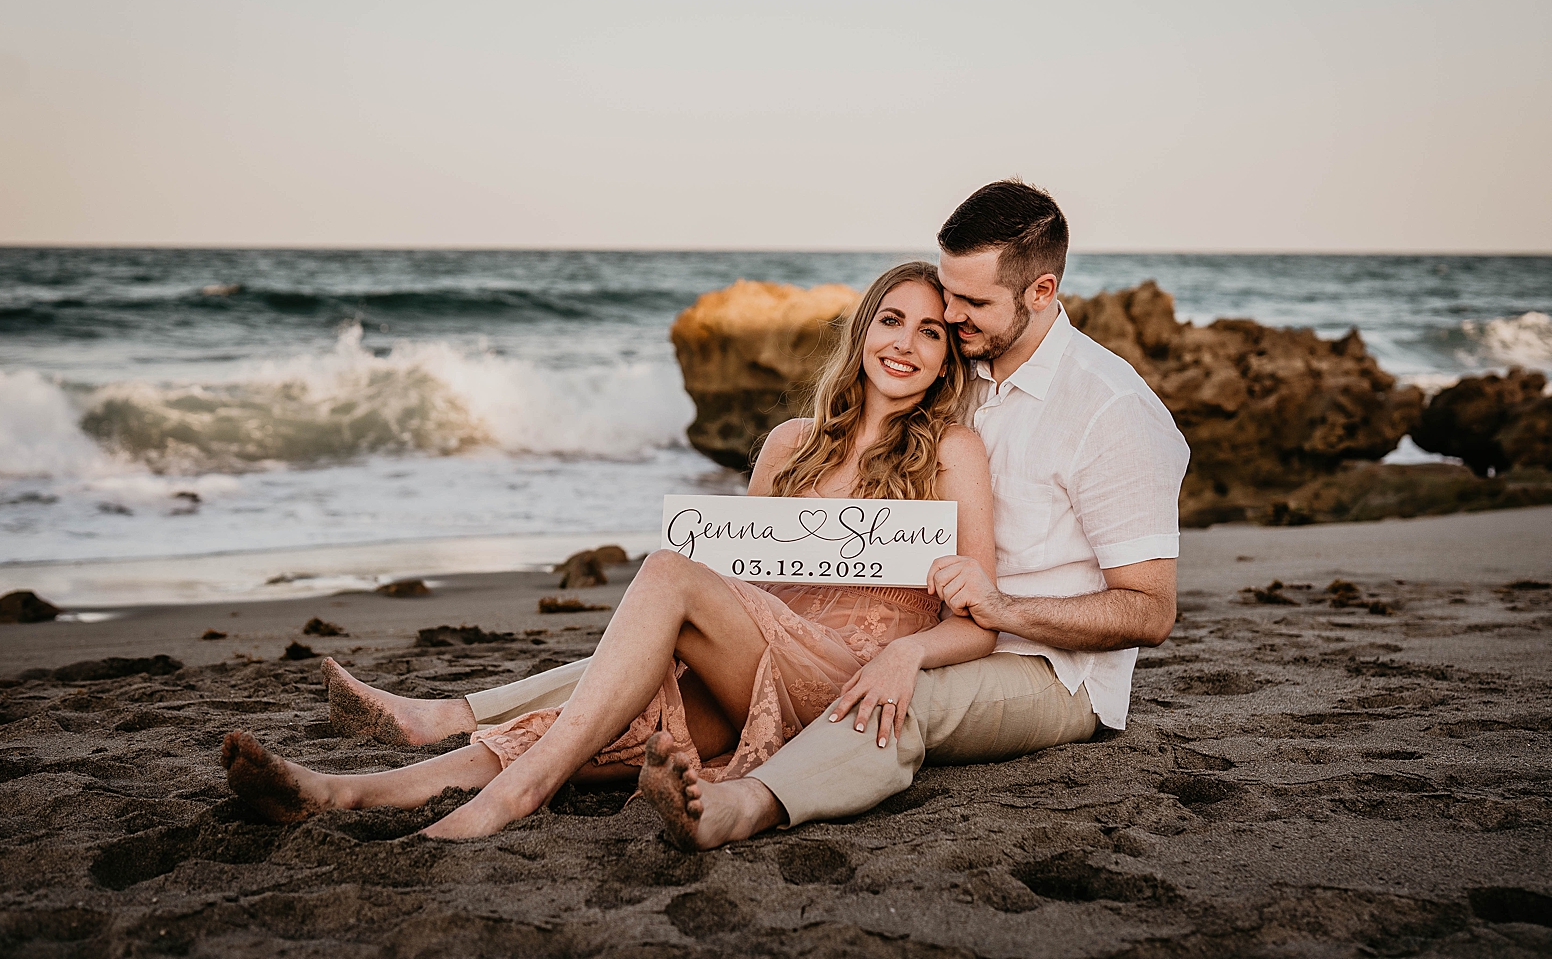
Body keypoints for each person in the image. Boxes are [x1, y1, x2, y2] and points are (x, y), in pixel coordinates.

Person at [221, 261, 1000, 839]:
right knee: (597, 723)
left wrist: (911, 657)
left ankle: (514, 799)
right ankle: (349, 794)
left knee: (664, 573)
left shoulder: (952, 452)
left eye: (931, 332)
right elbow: (744, 580)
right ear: (864, 329)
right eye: (892, 320)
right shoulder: (788, 447)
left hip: (849, 681)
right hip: (749, 665)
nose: (906, 344)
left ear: (946, 359)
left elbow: (981, 624)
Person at [637, 179, 1191, 849]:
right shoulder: (958, 372)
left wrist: (1002, 610)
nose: (953, 315)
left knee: (891, 698)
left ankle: (745, 806)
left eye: (972, 302)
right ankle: (492, 732)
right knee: (673, 651)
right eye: (949, 295)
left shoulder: (1109, 410)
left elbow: (1150, 611)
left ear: (1041, 292)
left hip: (1049, 669)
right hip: (932, 634)